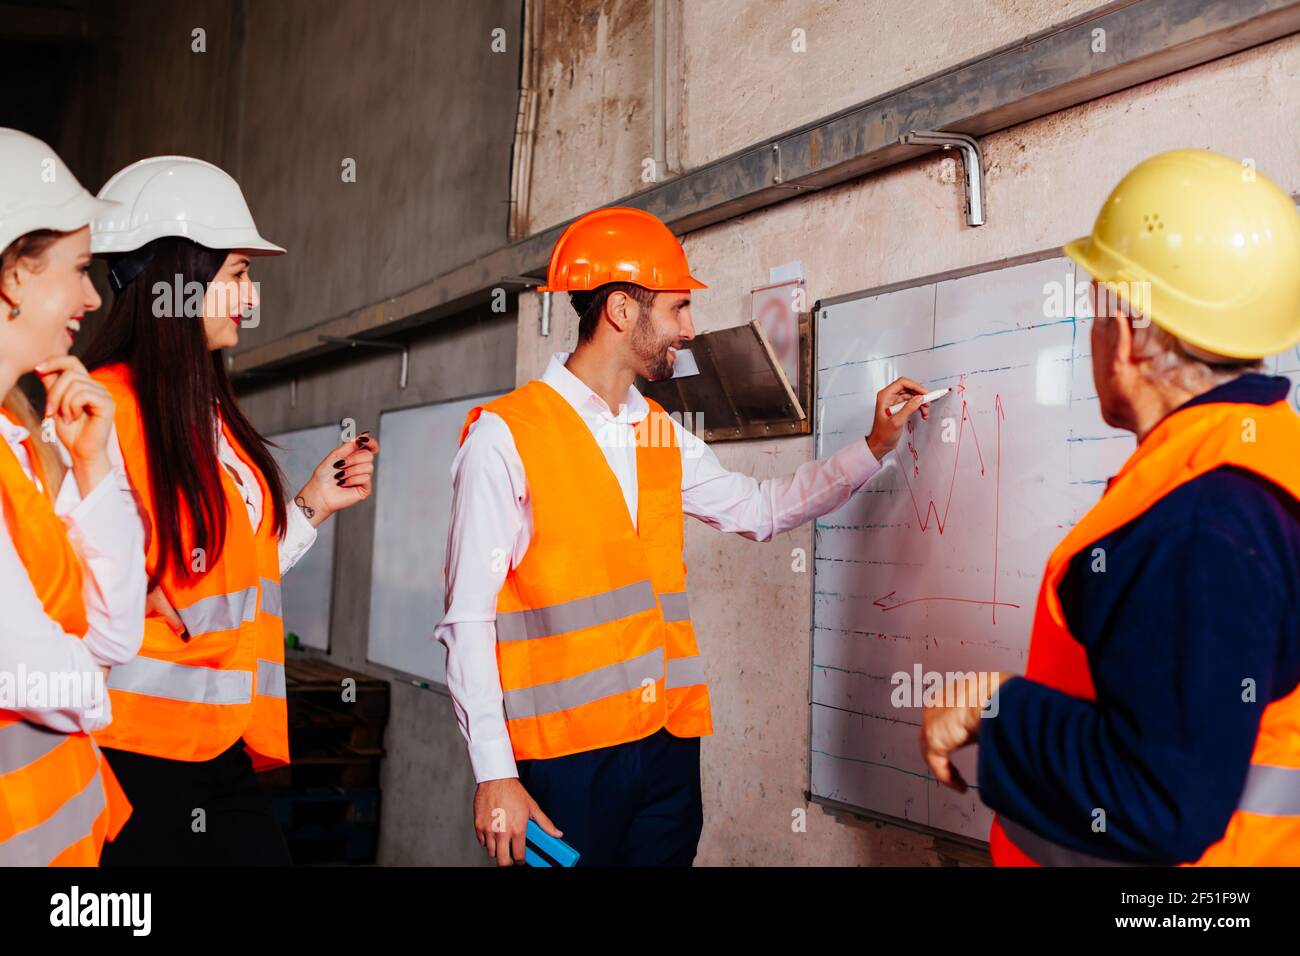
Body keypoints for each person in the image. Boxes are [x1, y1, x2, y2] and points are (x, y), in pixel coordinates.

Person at [438, 206, 935, 866]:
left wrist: (873, 447)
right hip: (562, 761)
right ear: (620, 309)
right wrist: (494, 772)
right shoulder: (505, 437)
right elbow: (467, 620)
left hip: (668, 750)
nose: (689, 328)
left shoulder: (657, 432)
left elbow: (759, 510)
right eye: (676, 308)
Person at [920, 149, 1300, 865]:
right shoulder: (1261, 464)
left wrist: (996, 710)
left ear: (1124, 339)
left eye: (1096, 318)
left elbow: (1161, 799)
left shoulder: (1205, 520)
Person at [80, 156, 380, 865]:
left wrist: (308, 506)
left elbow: (225, 574)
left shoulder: (211, 420)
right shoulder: (102, 410)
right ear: (181, 284)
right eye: (239, 273)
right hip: (129, 753)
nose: (250, 298)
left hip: (218, 746)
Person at [0, 128, 146, 865]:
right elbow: (36, 673)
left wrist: (94, 469)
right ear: (16, 276)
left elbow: (116, 639)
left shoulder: (23, 447)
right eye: (81, 268)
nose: (94, 295)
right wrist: (92, 682)